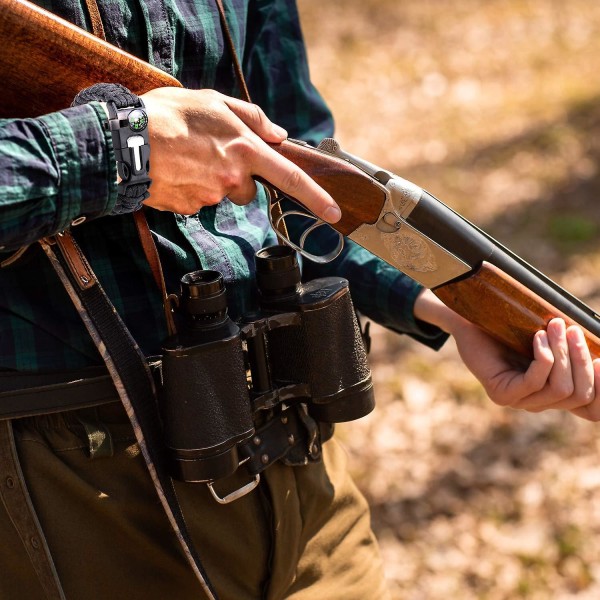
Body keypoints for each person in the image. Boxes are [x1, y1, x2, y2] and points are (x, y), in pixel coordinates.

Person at [1, 0, 599, 598]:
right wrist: (120, 149)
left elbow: (304, 178)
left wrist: (452, 306)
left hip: (301, 460)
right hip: (80, 489)